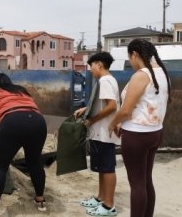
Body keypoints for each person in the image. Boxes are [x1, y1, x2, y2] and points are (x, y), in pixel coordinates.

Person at [109, 39, 170, 217]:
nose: (130, 62)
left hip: (136, 136)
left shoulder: (141, 75)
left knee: (136, 184)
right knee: (146, 181)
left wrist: (114, 123)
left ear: (135, 54)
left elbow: (126, 110)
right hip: (155, 132)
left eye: (130, 57)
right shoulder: (161, 73)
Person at [0, 73, 47, 217]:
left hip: (13, 121)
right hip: (38, 121)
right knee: (35, 163)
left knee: (0, 166)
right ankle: (40, 200)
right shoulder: (21, 90)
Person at [73, 52, 120, 216]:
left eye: (91, 66)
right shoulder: (107, 80)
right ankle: (101, 198)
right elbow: (101, 104)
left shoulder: (105, 81)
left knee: (107, 168)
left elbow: (111, 106)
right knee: (101, 167)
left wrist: (91, 120)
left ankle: (109, 206)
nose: (90, 70)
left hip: (104, 132)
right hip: (99, 133)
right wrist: (85, 109)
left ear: (99, 64)